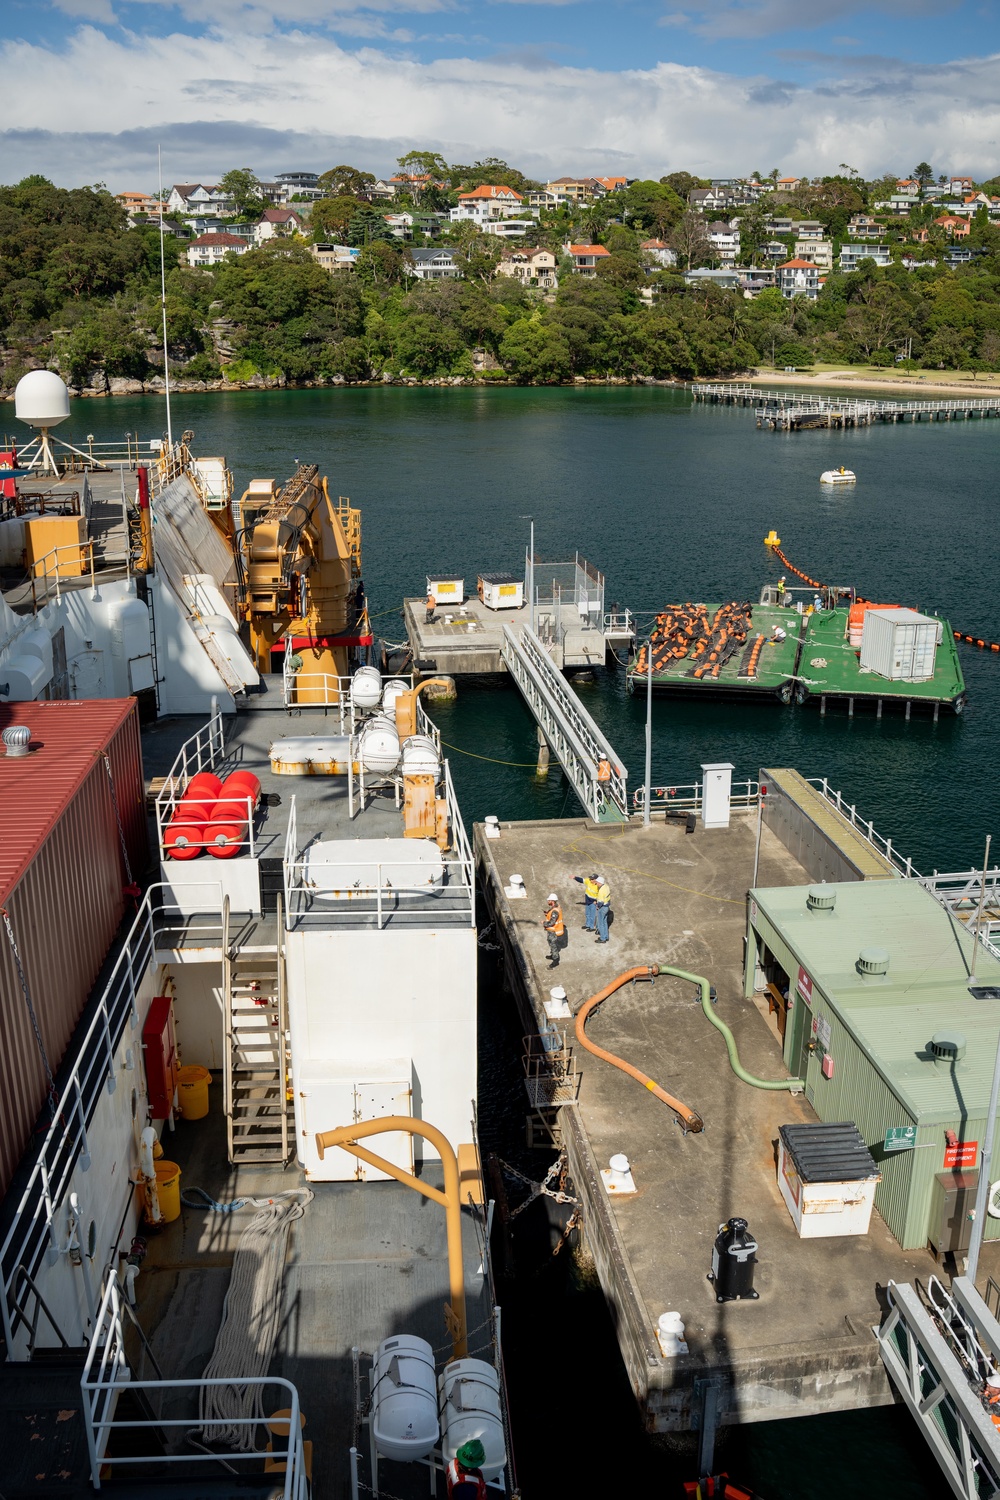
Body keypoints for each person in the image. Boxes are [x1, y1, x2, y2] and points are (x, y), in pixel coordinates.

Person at [542, 894, 564, 967]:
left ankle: (555, 960)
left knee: (553, 945)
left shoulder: (555, 911)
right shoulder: (555, 908)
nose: (548, 901)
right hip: (552, 931)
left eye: (549, 900)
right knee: (551, 944)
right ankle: (553, 955)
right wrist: (547, 914)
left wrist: (544, 923)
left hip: (554, 931)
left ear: (552, 901)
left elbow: (552, 922)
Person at [594, 875, 611, 944]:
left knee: (601, 923)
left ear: (600, 883)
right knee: (604, 922)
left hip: (602, 908)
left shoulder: (601, 890)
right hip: (607, 907)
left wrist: (597, 906)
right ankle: (606, 936)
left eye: (597, 882)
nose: (596, 884)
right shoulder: (606, 887)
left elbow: (600, 902)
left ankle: (602, 938)